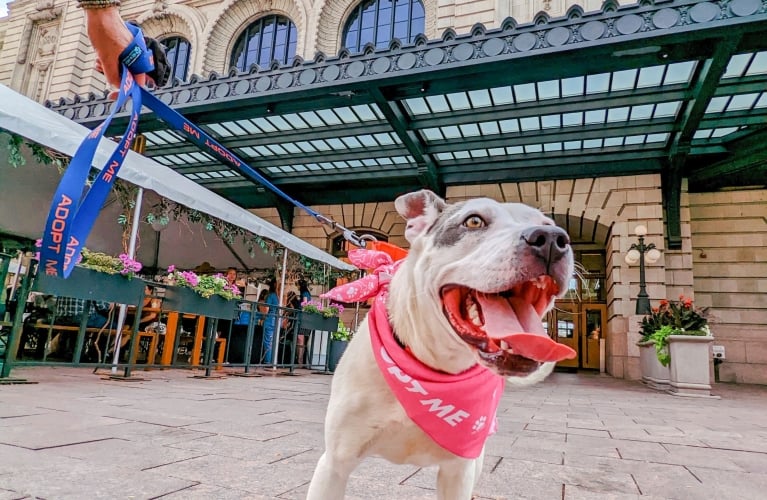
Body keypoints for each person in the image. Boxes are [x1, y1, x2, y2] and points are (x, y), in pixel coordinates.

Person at [262, 278, 280, 364]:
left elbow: (266, 309)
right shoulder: (278, 296)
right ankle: (273, 361)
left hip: (270, 318)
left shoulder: (270, 295)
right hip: (277, 319)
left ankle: (268, 361)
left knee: (268, 341)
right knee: (274, 341)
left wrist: (263, 317)